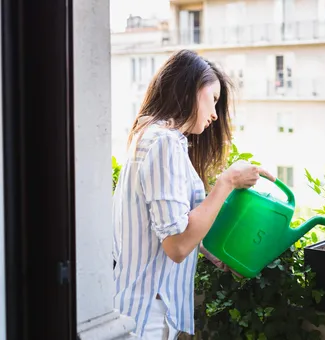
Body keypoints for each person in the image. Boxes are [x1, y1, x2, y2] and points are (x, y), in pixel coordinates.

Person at [112, 49, 275, 340]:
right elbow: (175, 246)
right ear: (190, 89)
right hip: (147, 314)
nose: (215, 114)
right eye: (213, 100)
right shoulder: (164, 143)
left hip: (141, 309)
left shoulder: (150, 135)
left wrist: (216, 254)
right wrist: (227, 182)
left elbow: (170, 224)